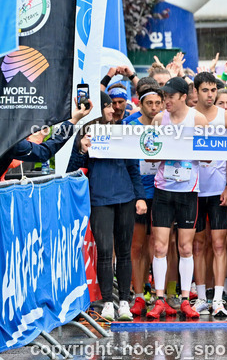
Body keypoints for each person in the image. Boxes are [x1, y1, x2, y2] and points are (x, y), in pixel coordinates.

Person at [69, 93, 145, 322]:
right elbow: (73, 167)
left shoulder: (124, 130)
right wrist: (82, 149)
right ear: (98, 110)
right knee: (104, 251)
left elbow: (134, 167)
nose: (113, 110)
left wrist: (140, 197)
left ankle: (124, 301)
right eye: (107, 106)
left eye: (113, 106)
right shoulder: (87, 132)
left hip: (125, 198)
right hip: (100, 199)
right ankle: (107, 302)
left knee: (123, 251)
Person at [146, 77, 210, 320]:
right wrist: (163, 148)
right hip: (163, 189)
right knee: (160, 246)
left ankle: (185, 299)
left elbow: (208, 157)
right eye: (164, 97)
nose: (166, 102)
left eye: (170, 97)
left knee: (185, 247)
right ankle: (159, 299)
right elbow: (150, 156)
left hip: (188, 191)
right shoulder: (158, 119)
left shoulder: (198, 120)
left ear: (183, 96)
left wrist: (188, 148)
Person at [192, 72, 227, 318]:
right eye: (205, 90)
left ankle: (218, 299)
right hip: (194, 189)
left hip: (219, 189)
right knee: (198, 245)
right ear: (195, 92)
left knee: (219, 244)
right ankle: (200, 297)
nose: (210, 95)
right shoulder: (189, 116)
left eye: (213, 90)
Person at [122, 83, 164, 316]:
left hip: (161, 192)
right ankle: (138, 296)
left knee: (157, 246)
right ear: (140, 103)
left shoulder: (167, 126)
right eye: (150, 103)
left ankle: (160, 295)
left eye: (158, 103)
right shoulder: (129, 126)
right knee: (136, 246)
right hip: (137, 194)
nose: (155, 107)